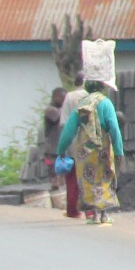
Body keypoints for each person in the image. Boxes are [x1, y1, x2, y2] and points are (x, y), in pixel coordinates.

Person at [56, 78, 124, 224]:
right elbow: (114, 128)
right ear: (102, 88)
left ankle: (93, 215)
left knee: (89, 179)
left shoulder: (82, 104)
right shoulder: (106, 103)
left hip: (84, 150)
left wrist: (61, 149)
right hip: (103, 147)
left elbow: (69, 130)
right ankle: (104, 214)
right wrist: (119, 151)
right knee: (105, 177)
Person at [54, 83, 86, 219]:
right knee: (92, 177)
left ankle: (72, 210)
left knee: (72, 178)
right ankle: (92, 212)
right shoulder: (96, 96)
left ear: (76, 82)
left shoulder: (70, 96)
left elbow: (64, 124)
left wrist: (62, 147)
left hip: (74, 143)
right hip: (93, 142)